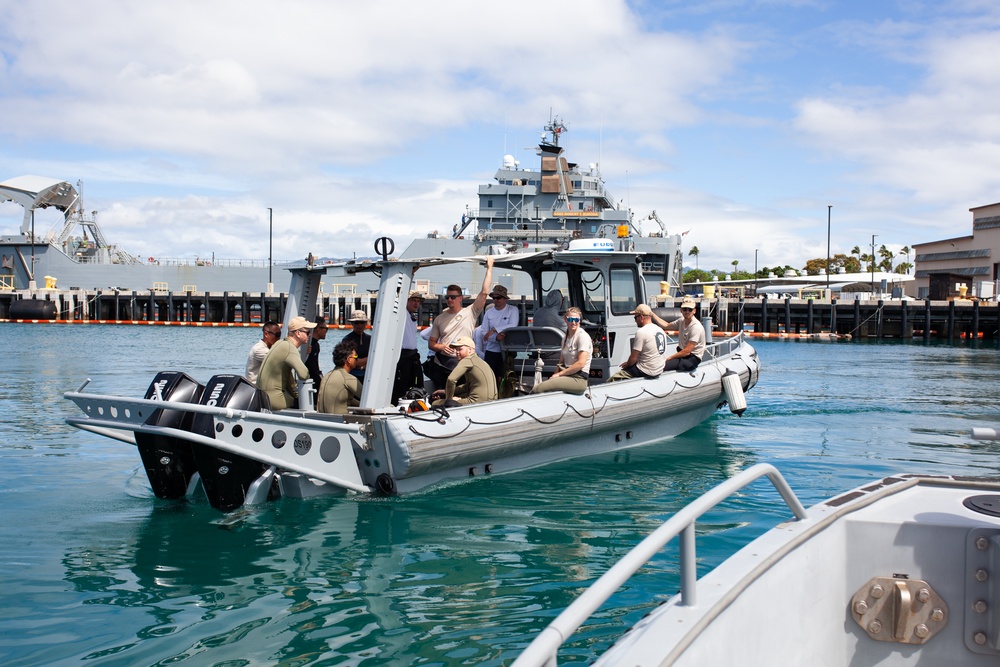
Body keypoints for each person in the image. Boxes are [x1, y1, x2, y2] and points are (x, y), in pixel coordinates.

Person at [427, 256, 494, 389]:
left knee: (463, 392)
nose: (449, 300)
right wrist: (440, 347)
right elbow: (431, 343)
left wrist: (490, 267)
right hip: (444, 363)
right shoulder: (440, 318)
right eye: (447, 297)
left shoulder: (470, 312)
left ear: (460, 298)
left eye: (453, 297)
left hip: (464, 361)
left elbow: (484, 292)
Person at [256, 316, 316, 409]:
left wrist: (296, 394)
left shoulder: (280, 343)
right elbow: (304, 374)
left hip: (262, 397)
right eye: (307, 332)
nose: (310, 335)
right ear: (298, 333)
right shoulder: (289, 348)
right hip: (274, 400)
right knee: (306, 404)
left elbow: (289, 379)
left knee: (297, 399)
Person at [530, 307, 592, 395]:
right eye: (570, 319)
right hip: (567, 375)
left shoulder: (582, 337)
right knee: (547, 385)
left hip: (578, 378)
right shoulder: (565, 338)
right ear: (565, 320)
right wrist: (554, 376)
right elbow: (561, 362)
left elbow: (581, 363)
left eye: (576, 320)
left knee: (539, 388)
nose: (574, 322)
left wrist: (559, 375)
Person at [474, 284, 520, 391]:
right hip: (491, 350)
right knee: (490, 377)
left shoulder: (513, 310)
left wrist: (494, 329)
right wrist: (496, 338)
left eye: (498, 298)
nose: (495, 300)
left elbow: (513, 325)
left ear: (504, 299)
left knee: (506, 377)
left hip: (508, 350)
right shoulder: (488, 313)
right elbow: (484, 333)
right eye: (493, 298)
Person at [430, 337, 498, 407]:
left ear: (470, 350)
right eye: (456, 350)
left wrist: (449, 399)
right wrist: (444, 391)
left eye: (460, 349)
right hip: (492, 400)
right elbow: (467, 386)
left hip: (478, 401)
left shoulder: (467, 360)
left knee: (435, 403)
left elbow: (451, 379)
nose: (457, 352)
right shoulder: (480, 361)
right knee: (457, 396)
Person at [609, 304, 666, 381]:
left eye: (635, 317)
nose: (635, 320)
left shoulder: (641, 332)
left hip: (647, 370)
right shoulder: (660, 330)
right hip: (658, 369)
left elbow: (633, 358)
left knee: (614, 378)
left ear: (641, 317)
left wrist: (627, 365)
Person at [652, 296, 706, 372]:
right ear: (681, 310)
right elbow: (666, 325)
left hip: (692, 358)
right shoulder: (681, 321)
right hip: (684, 354)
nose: (687, 312)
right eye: (684, 309)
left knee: (662, 366)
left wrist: (670, 358)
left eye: (690, 310)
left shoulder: (696, 327)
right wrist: (652, 314)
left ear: (694, 311)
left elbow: (687, 351)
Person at [393, 291, 426, 404]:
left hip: (412, 356)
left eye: (418, 302)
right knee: (402, 384)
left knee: (416, 384)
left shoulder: (412, 317)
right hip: (403, 356)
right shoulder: (402, 313)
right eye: (413, 301)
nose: (416, 304)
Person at [317, 340, 363, 415]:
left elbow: (343, 397)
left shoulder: (327, 376)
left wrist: (359, 404)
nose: (357, 359)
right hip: (339, 422)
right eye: (356, 357)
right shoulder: (347, 378)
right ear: (349, 360)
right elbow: (369, 399)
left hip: (323, 420)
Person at [305, 316, 329, 403]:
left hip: (314, 380)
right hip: (310, 382)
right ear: (318, 329)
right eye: (326, 329)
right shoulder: (310, 345)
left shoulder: (316, 345)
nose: (326, 332)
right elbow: (311, 366)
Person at [342, 310, 371, 381]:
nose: (359, 325)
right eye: (356, 323)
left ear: (366, 323)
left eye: (362, 322)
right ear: (352, 323)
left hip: (368, 374)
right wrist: (368, 359)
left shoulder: (370, 339)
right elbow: (349, 361)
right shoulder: (347, 339)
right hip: (352, 375)